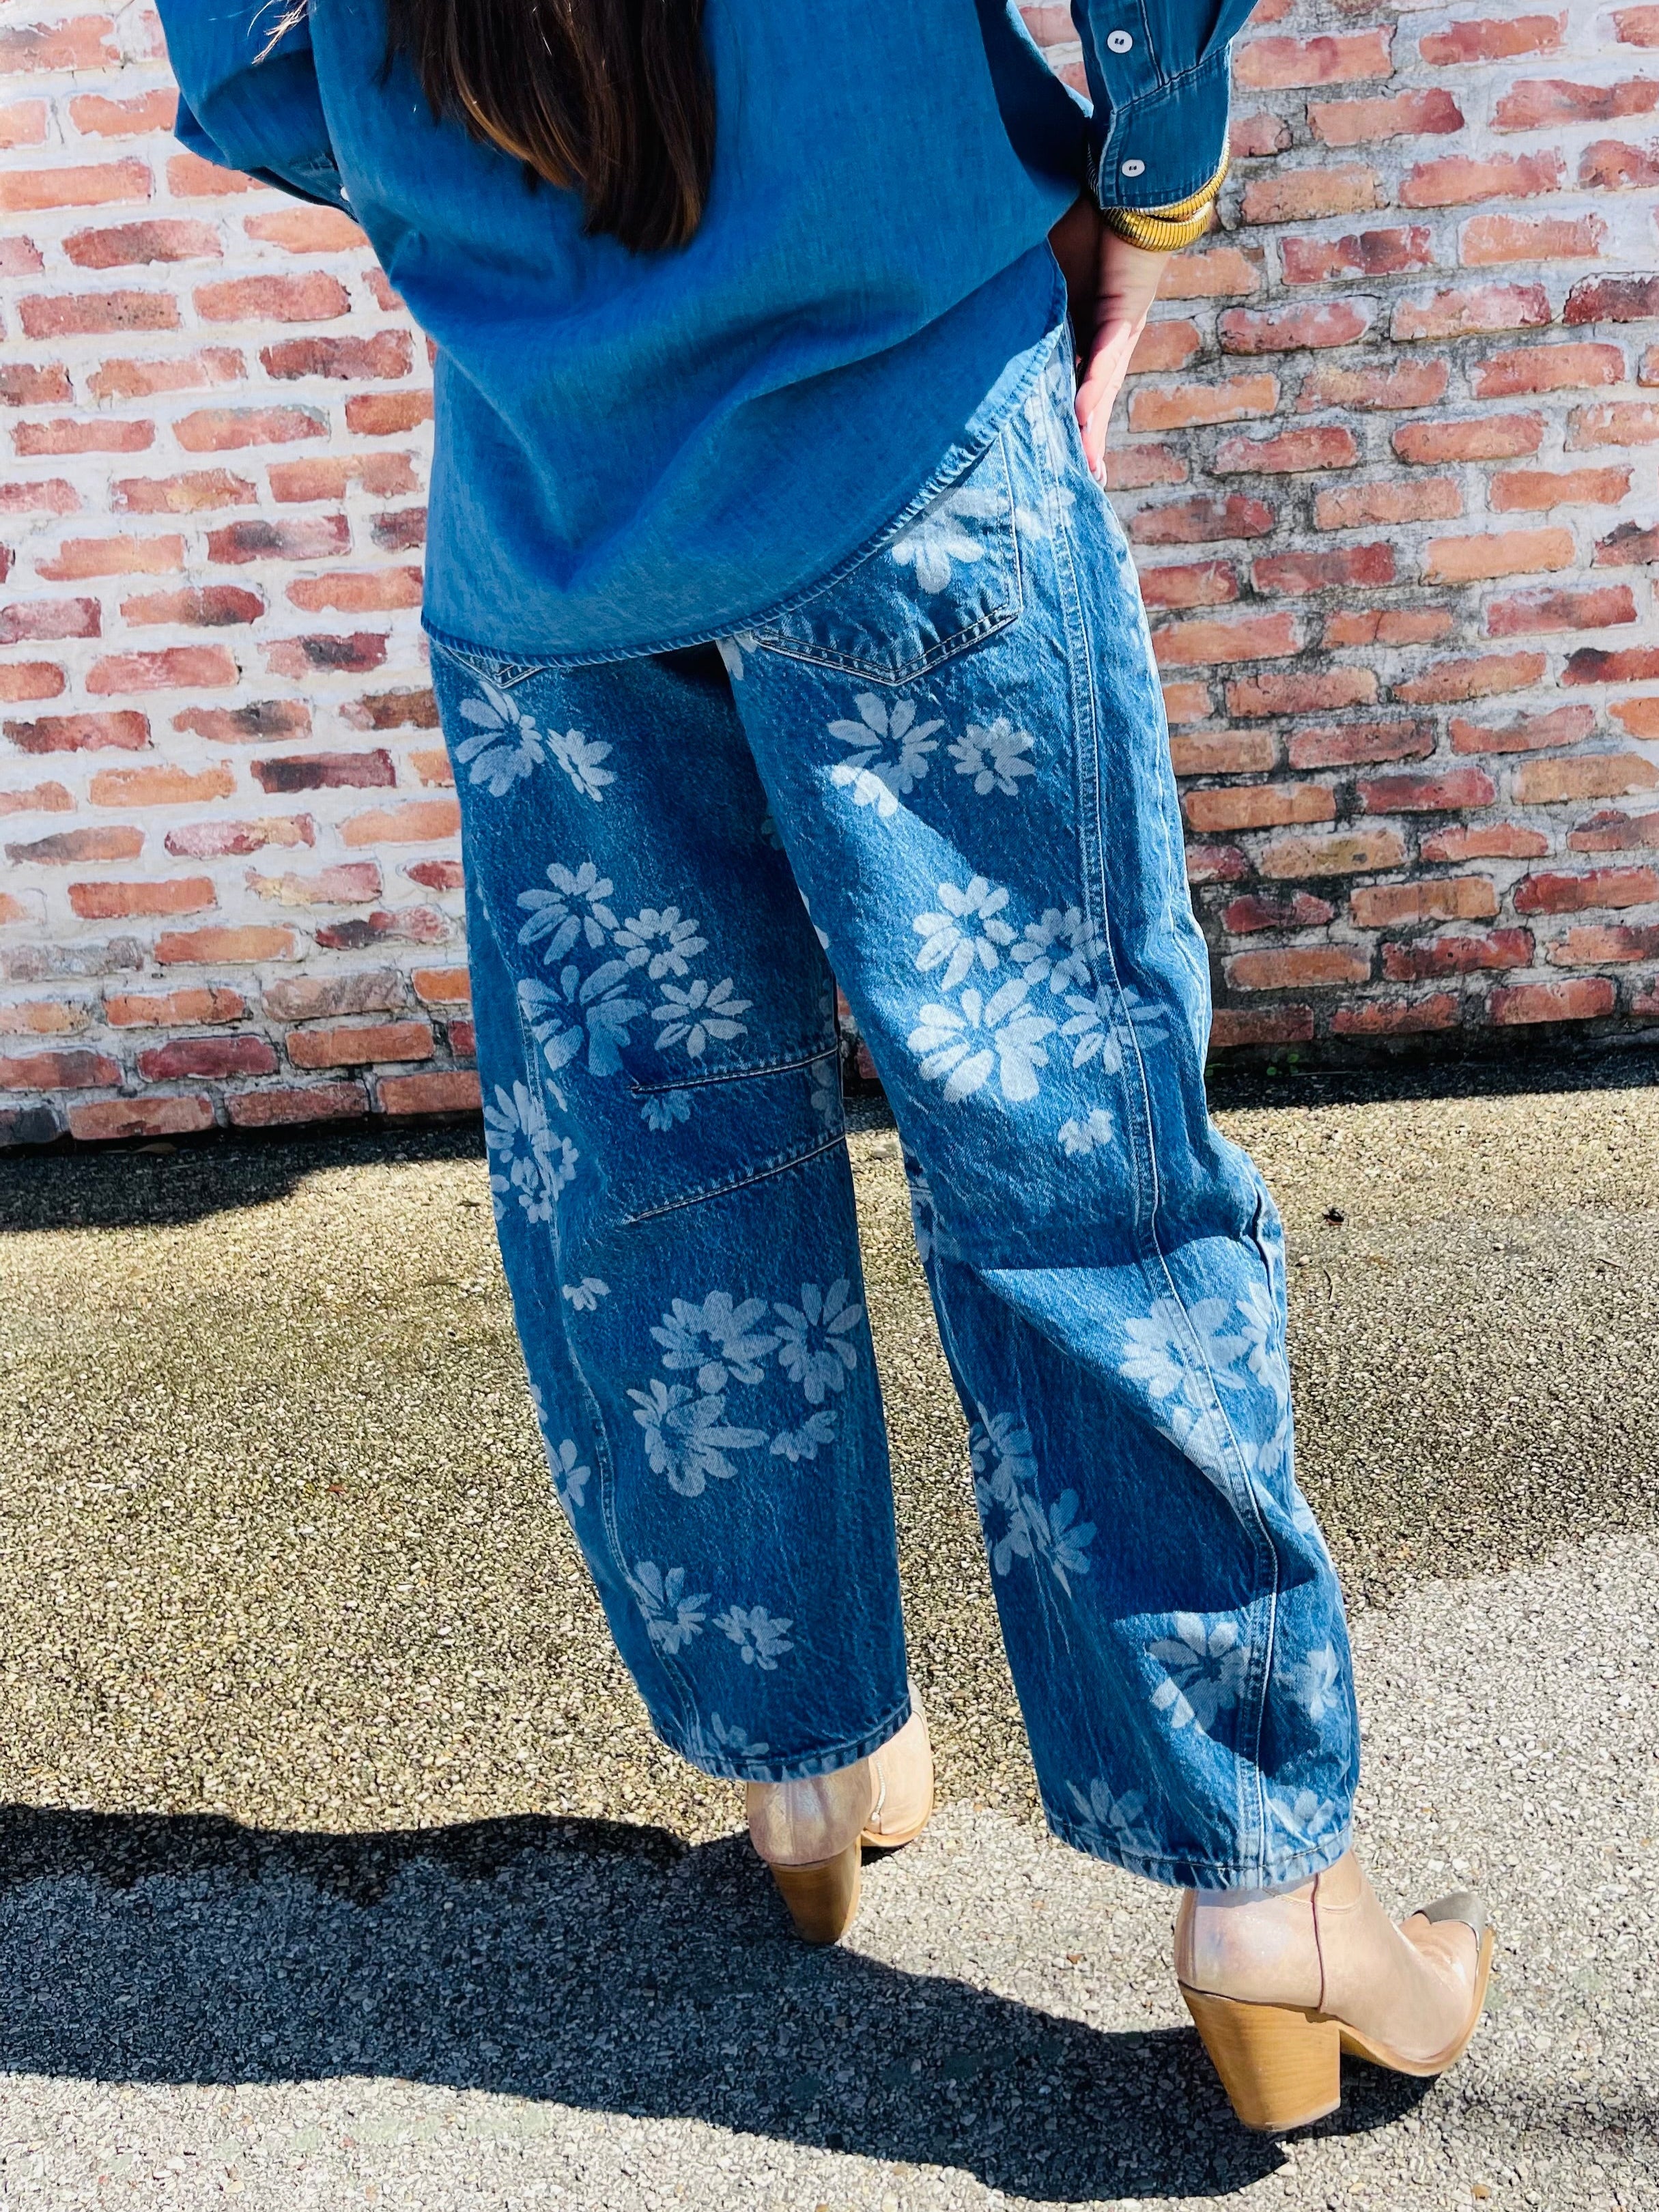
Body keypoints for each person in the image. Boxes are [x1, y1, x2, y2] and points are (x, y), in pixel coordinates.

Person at [154, 0, 1492, 2131]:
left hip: (548, 509)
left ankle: (810, 1775)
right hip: (909, 428)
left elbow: (239, 69)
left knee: (654, 1170)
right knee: (1072, 1157)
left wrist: (523, 208)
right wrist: (1148, 176)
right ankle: (1265, 1887)